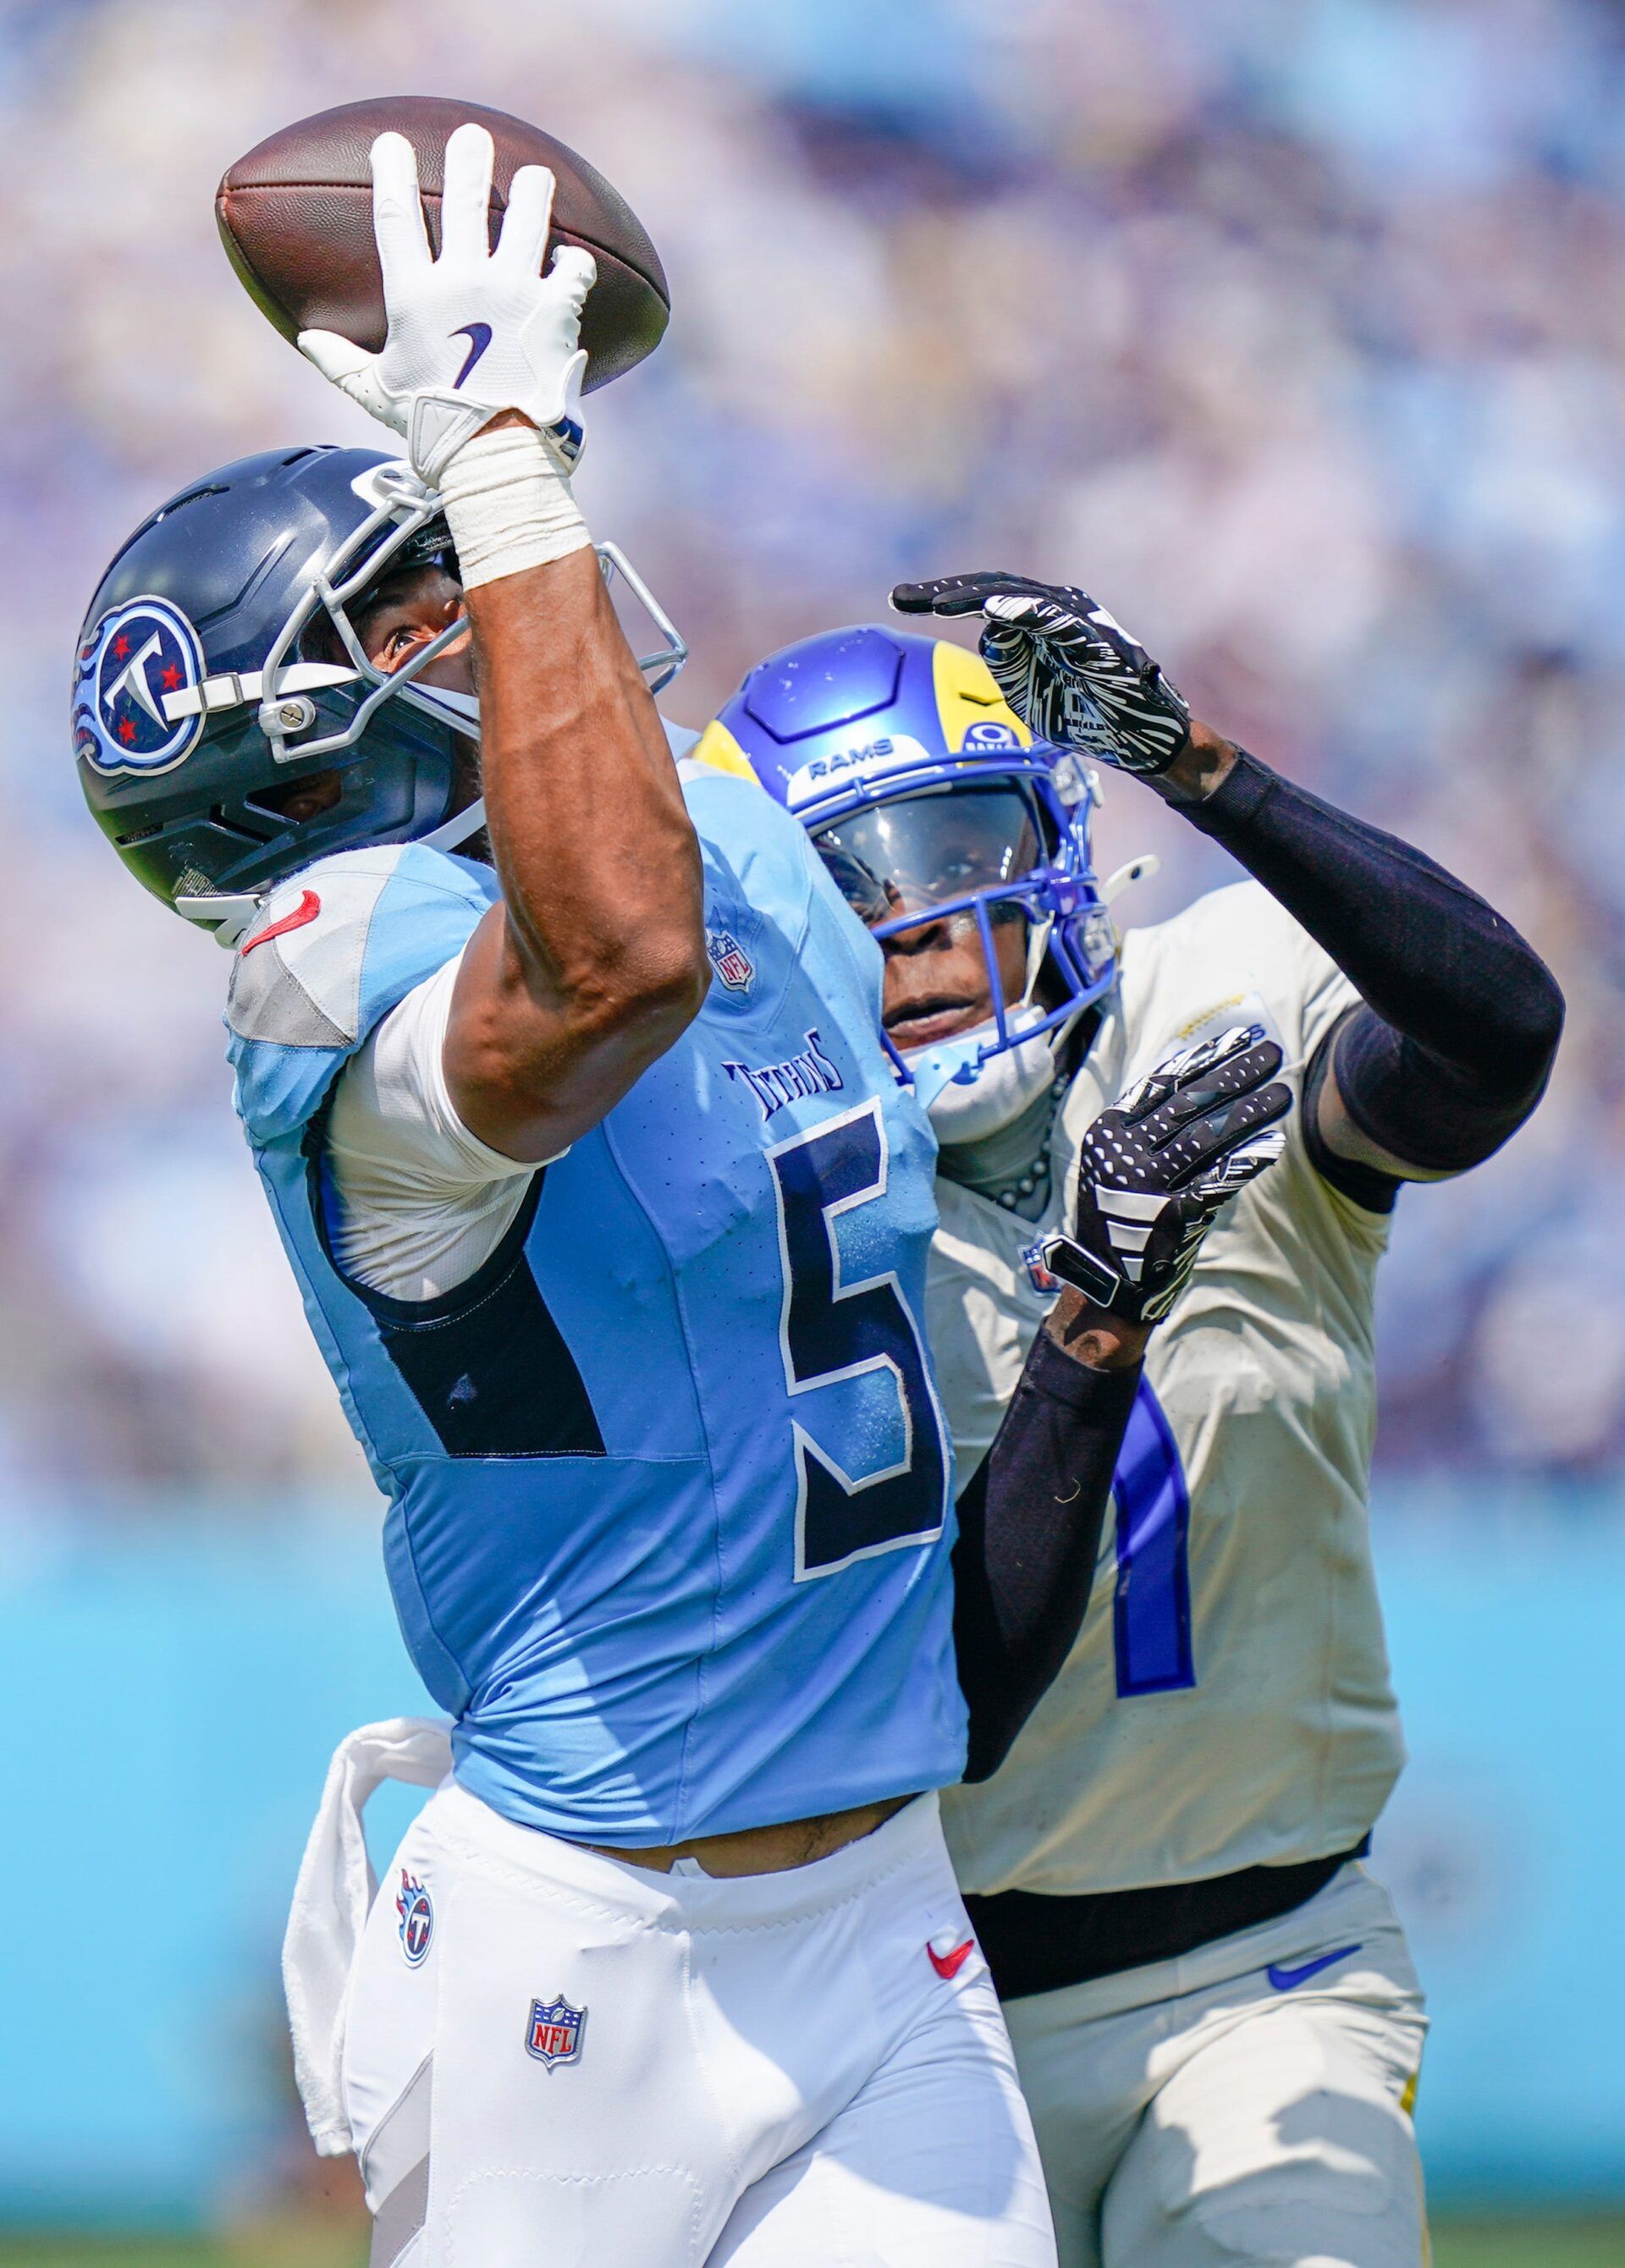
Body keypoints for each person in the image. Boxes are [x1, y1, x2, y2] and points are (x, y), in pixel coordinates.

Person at [72, 129, 1289, 2268]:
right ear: (303, 758)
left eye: (461, 570)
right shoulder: (335, 974)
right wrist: (502, 459)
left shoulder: (721, 849)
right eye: (422, 608)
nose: (493, 614)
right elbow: (608, 966)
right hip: (583, 1945)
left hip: (882, 1909)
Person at [700, 576, 1564, 2268]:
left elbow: (1494, 1036)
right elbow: (954, 1692)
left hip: (1271, 1969)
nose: (910, 924)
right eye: (837, 883)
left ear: (1056, 842)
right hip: (907, 2006)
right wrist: (1096, 1306)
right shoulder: (748, 1204)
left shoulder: (1215, 998)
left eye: (951, 848)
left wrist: (1205, 764)